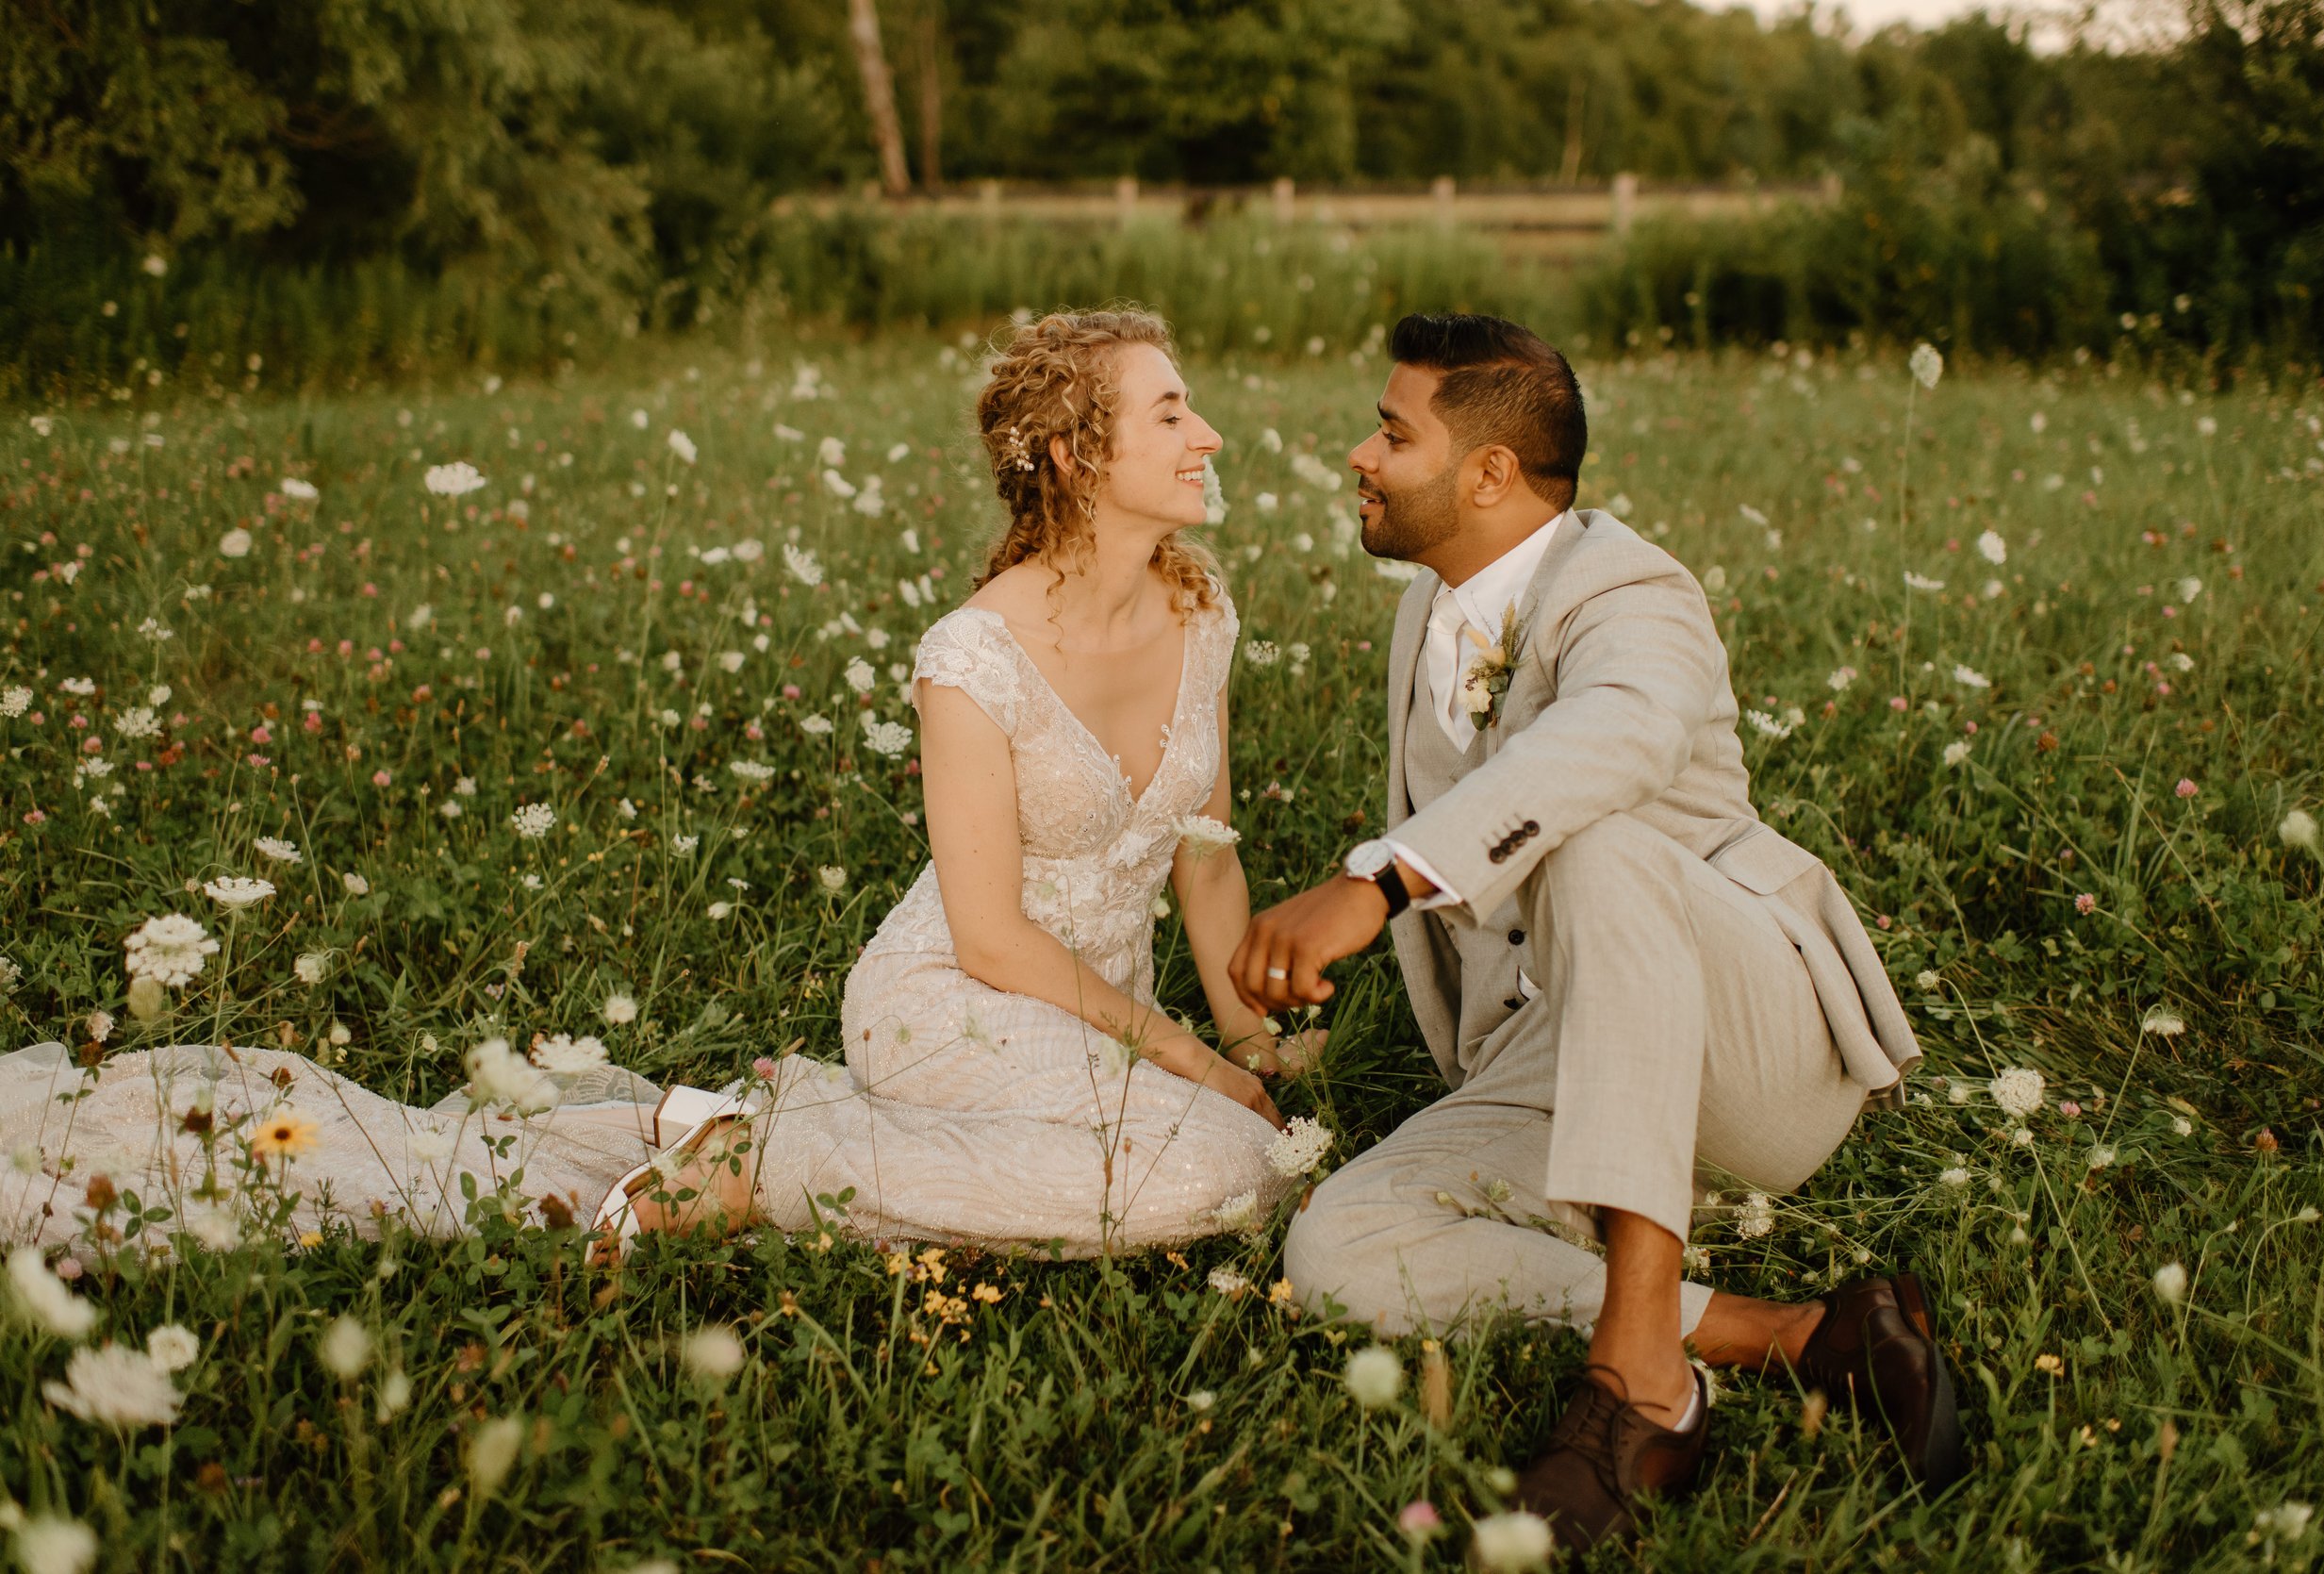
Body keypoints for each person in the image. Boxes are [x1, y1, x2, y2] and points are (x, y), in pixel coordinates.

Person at [0, 307, 1300, 1267]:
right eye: (1171, 412)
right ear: (1074, 457)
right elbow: (990, 933)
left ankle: (771, 1128)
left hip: (1092, 1019)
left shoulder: (1203, 607)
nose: (1210, 434)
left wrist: (1248, 1043)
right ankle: (765, 1160)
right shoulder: (973, 654)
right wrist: (1187, 1057)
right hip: (954, 1003)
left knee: (1237, 1148)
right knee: (1218, 1172)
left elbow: (1207, 852)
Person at [1229, 313, 1960, 1558]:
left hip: (1752, 1048)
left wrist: (1379, 881)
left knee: (1601, 830)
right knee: (1340, 1245)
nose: (1358, 451)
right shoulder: (1430, 604)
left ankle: (1640, 1387)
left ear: (1490, 474)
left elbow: (1609, 739)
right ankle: (1800, 1335)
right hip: (1555, 1051)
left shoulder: (1635, 595)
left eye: (1392, 431)